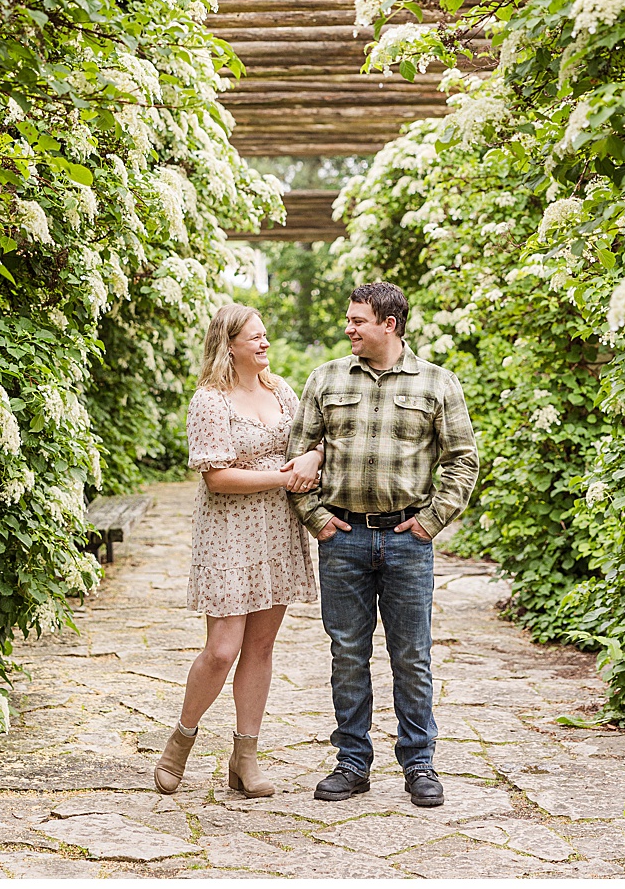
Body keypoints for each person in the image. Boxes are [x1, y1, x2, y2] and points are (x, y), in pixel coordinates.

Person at [284, 281, 479, 809]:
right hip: (342, 539)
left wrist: (430, 521)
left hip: (406, 541)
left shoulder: (438, 384)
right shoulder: (324, 379)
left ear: (388, 324)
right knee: (347, 654)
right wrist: (317, 520)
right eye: (348, 320)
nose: (348, 328)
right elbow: (296, 455)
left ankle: (420, 764)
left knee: (411, 656)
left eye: (357, 320)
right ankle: (352, 762)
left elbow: (463, 460)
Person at [154, 304, 323, 798]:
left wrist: (310, 457)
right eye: (256, 337)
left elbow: (312, 443)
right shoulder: (210, 400)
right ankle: (181, 740)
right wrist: (283, 476)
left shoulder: (281, 390)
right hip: (229, 532)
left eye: (266, 335)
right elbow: (217, 476)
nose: (265, 344)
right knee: (223, 648)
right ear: (229, 344)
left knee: (261, 647)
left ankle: (244, 758)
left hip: (277, 530)